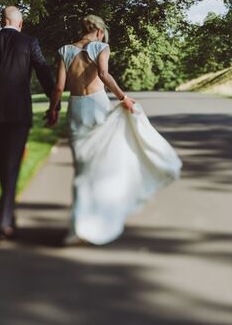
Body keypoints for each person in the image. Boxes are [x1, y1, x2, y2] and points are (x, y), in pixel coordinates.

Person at [47, 15, 182, 246]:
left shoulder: (64, 50)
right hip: (97, 106)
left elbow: (59, 86)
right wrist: (124, 98)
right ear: (99, 31)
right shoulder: (101, 47)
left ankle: (77, 227)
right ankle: (97, 218)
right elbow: (103, 74)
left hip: (77, 108)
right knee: (101, 165)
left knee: (81, 170)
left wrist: (53, 110)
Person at [0, 6, 57, 240]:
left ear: (1, 21)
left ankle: (8, 215)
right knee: (10, 164)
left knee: (5, 163)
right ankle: (3, 222)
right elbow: (45, 74)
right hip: (18, 113)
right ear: (19, 23)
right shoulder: (29, 43)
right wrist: (53, 104)